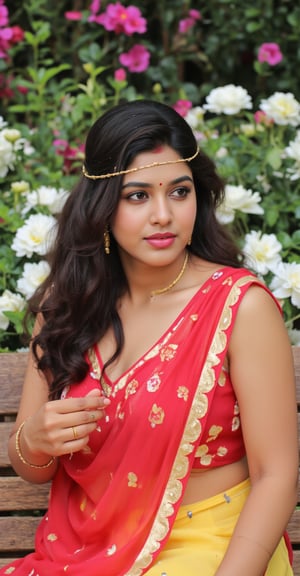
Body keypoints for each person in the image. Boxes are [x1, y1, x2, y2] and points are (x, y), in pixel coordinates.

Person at [1, 99, 298, 576]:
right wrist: (33, 441)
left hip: (216, 546)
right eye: (137, 195)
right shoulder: (66, 306)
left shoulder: (239, 306)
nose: (163, 214)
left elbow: (276, 476)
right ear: (102, 205)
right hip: (87, 549)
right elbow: (36, 468)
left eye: (179, 192)